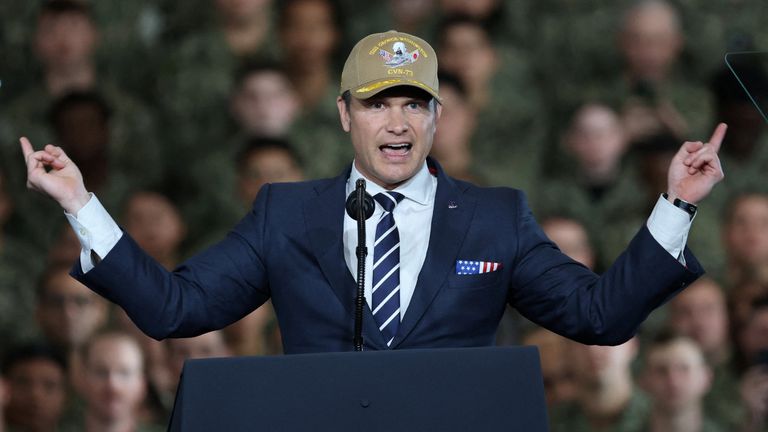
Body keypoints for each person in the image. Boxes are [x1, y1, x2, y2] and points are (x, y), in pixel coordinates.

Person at [20, 30, 724, 354]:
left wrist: (677, 206)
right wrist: (83, 205)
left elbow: (597, 315)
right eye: (379, 105)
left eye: (415, 105)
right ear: (344, 114)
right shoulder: (286, 213)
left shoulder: (494, 216)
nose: (397, 122)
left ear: (437, 119)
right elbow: (176, 309)